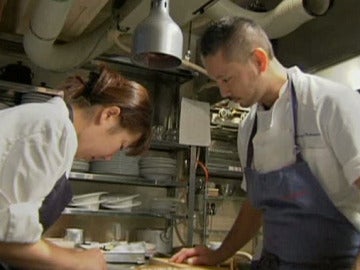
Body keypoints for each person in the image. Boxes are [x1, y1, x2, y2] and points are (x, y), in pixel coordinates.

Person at [170, 16, 360, 270]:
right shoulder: (249, 128)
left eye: (227, 79)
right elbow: (255, 205)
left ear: (259, 60)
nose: (223, 92)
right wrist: (219, 254)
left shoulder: (329, 105)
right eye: (217, 82)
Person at [0, 65, 153, 269]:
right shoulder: (53, 130)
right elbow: (8, 241)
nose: (109, 157)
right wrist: (78, 261)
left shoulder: (54, 127)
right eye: (120, 145)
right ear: (109, 115)